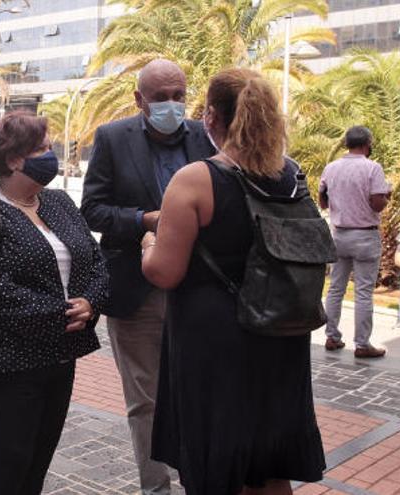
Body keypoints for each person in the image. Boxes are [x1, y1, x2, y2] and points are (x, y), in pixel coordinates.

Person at [141, 68, 326, 495]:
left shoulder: (196, 179)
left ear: (211, 118)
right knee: (270, 464)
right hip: (281, 329)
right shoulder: (293, 175)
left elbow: (165, 271)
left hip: (217, 341)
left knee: (217, 458)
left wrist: (147, 244)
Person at [0, 111, 108, 495]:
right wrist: (61, 313)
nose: (50, 155)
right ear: (15, 158)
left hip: (59, 358)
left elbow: (96, 259)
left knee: (36, 466)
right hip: (4, 364)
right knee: (4, 468)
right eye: (42, 148)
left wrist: (90, 302)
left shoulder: (58, 202)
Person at [80, 59, 214, 495]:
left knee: (199, 393)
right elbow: (93, 210)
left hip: (198, 289)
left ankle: (199, 479)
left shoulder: (205, 136)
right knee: (146, 401)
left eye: (180, 96)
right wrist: (145, 220)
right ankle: (156, 488)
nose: (172, 105)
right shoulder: (112, 138)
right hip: (134, 292)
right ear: (139, 99)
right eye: (161, 98)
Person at [319, 125, 391, 358]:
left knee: (335, 289)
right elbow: (377, 203)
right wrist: (386, 196)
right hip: (365, 235)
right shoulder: (372, 168)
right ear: (367, 144)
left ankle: (331, 336)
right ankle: (362, 344)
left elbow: (323, 200)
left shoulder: (331, 168)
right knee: (363, 292)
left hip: (339, 234)